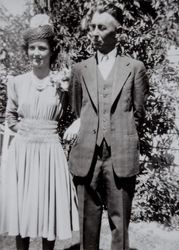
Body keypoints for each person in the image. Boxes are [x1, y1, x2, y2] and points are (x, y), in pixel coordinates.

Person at [65, 4, 149, 250]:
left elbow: (139, 113)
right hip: (85, 157)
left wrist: (121, 137)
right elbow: (76, 109)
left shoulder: (134, 68)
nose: (94, 32)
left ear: (118, 31)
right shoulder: (80, 70)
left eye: (102, 27)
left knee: (120, 223)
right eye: (92, 27)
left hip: (120, 156)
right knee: (87, 222)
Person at [0, 14, 79, 250]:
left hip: (50, 151)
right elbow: (10, 117)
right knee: (21, 211)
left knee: (48, 211)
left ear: (51, 50)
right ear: (27, 50)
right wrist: (25, 130)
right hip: (22, 152)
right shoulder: (17, 82)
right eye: (32, 48)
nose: (36, 53)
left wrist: (77, 122)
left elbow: (79, 110)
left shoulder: (62, 82)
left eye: (41, 48)